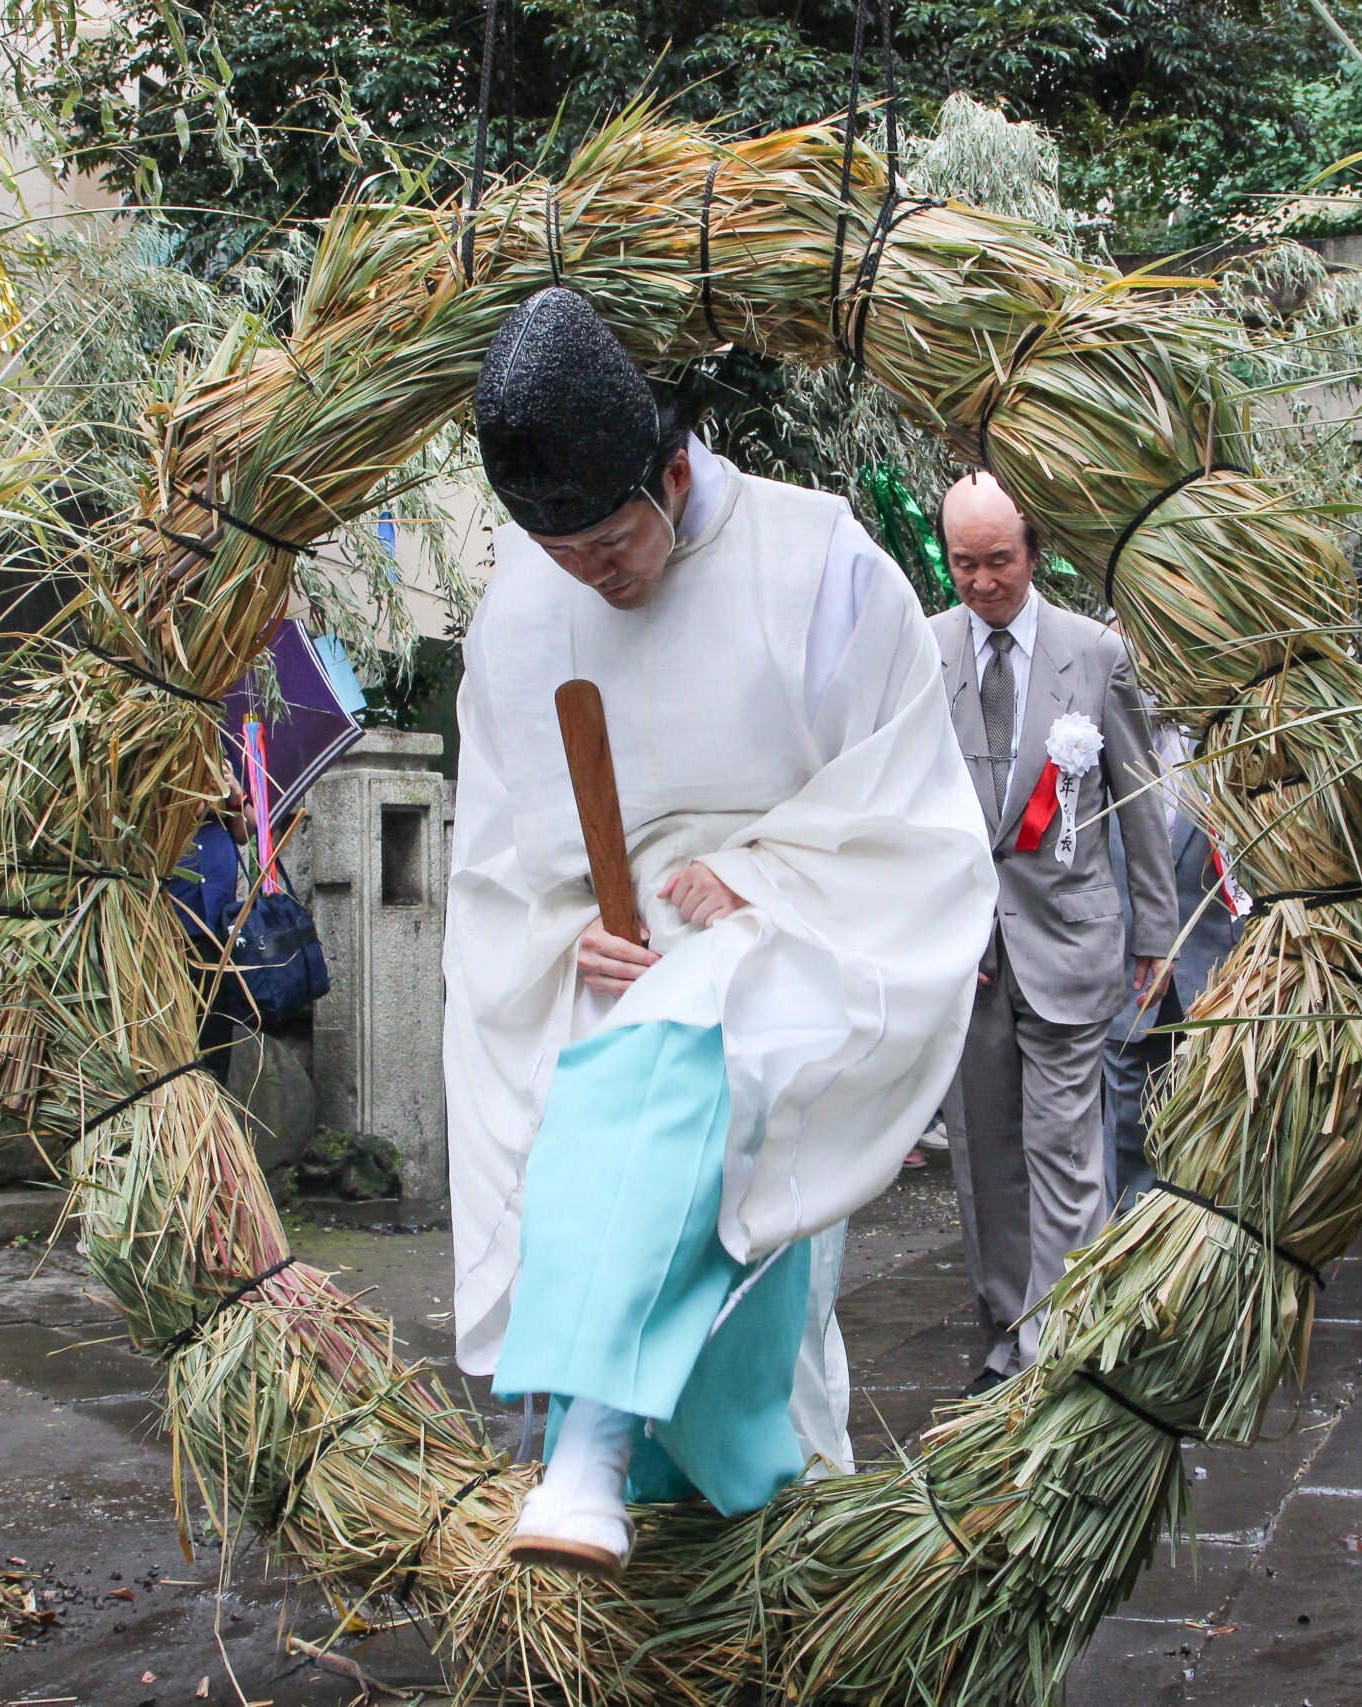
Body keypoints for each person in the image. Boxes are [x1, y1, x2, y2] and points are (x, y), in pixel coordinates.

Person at [443, 289, 993, 1575]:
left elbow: (910, 806)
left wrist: (767, 879)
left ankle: (620, 1461)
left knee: (678, 1072)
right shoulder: (521, 609)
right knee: (613, 1085)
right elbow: (497, 869)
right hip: (615, 971)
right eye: (562, 553)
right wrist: (564, 937)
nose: (592, 576)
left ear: (673, 468)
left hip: (794, 954)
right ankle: (638, 1523)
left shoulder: (818, 563)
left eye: (610, 544)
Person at [930, 472, 1178, 1393]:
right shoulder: (927, 651)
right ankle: (1006, 1324)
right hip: (968, 952)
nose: (982, 581)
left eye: (999, 561)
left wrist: (1155, 932)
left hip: (1070, 941)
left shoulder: (1096, 654)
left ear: (1034, 553)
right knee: (983, 1149)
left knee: (1064, 1146)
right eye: (964, 563)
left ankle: (1061, 1333)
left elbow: (1140, 805)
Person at [1101, 726, 1234, 1207]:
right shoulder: (1100, 738)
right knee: (1123, 1122)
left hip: (1214, 967)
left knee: (1206, 1124)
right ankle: (1124, 1236)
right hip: (1126, 966)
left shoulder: (1228, 740)